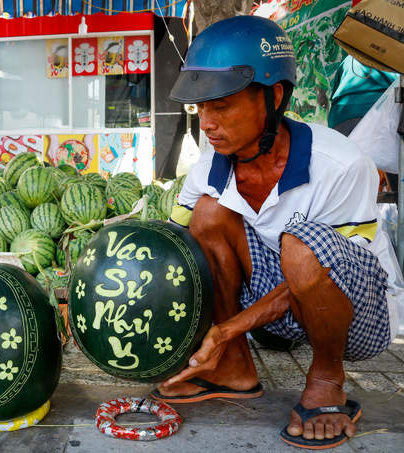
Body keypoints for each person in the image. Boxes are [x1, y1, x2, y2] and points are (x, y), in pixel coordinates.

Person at [155, 16, 401, 450]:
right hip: (274, 305)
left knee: (302, 243)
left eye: (222, 105)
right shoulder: (207, 170)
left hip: (358, 316)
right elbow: (170, 252)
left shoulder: (340, 164)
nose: (207, 124)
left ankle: (327, 379)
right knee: (208, 215)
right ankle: (232, 369)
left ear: (275, 96)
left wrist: (227, 329)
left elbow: (318, 269)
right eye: (201, 108)